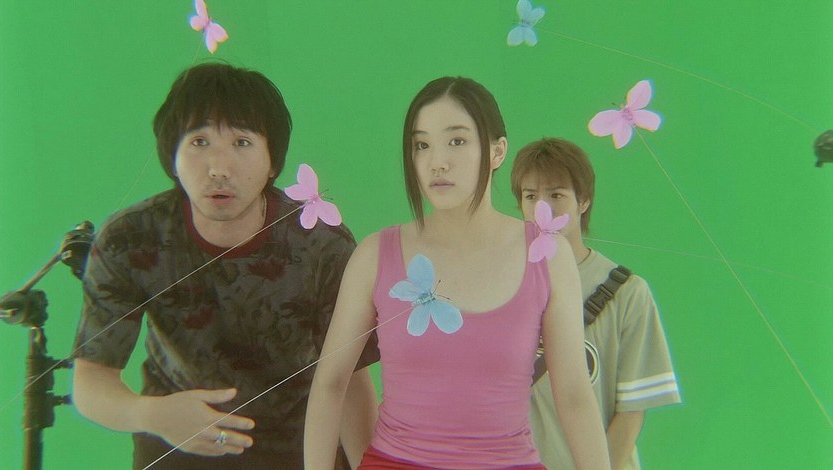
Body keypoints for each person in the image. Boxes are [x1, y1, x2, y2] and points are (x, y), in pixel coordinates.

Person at [71, 63, 379, 470]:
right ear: (172, 157)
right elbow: (91, 378)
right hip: (176, 448)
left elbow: (350, 379)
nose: (219, 168)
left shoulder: (321, 243)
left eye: (242, 142)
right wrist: (153, 414)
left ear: (272, 162)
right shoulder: (130, 238)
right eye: (199, 142)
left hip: (301, 450)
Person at [304, 77, 610, 469]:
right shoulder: (375, 255)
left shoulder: (547, 255)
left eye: (457, 141)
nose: (437, 162)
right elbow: (331, 382)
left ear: (498, 151)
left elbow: (574, 397)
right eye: (422, 145)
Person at [510, 137, 681, 470]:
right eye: (530, 196)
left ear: (583, 200)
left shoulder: (627, 292)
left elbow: (630, 413)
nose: (542, 208)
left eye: (556, 195)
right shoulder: (499, 284)